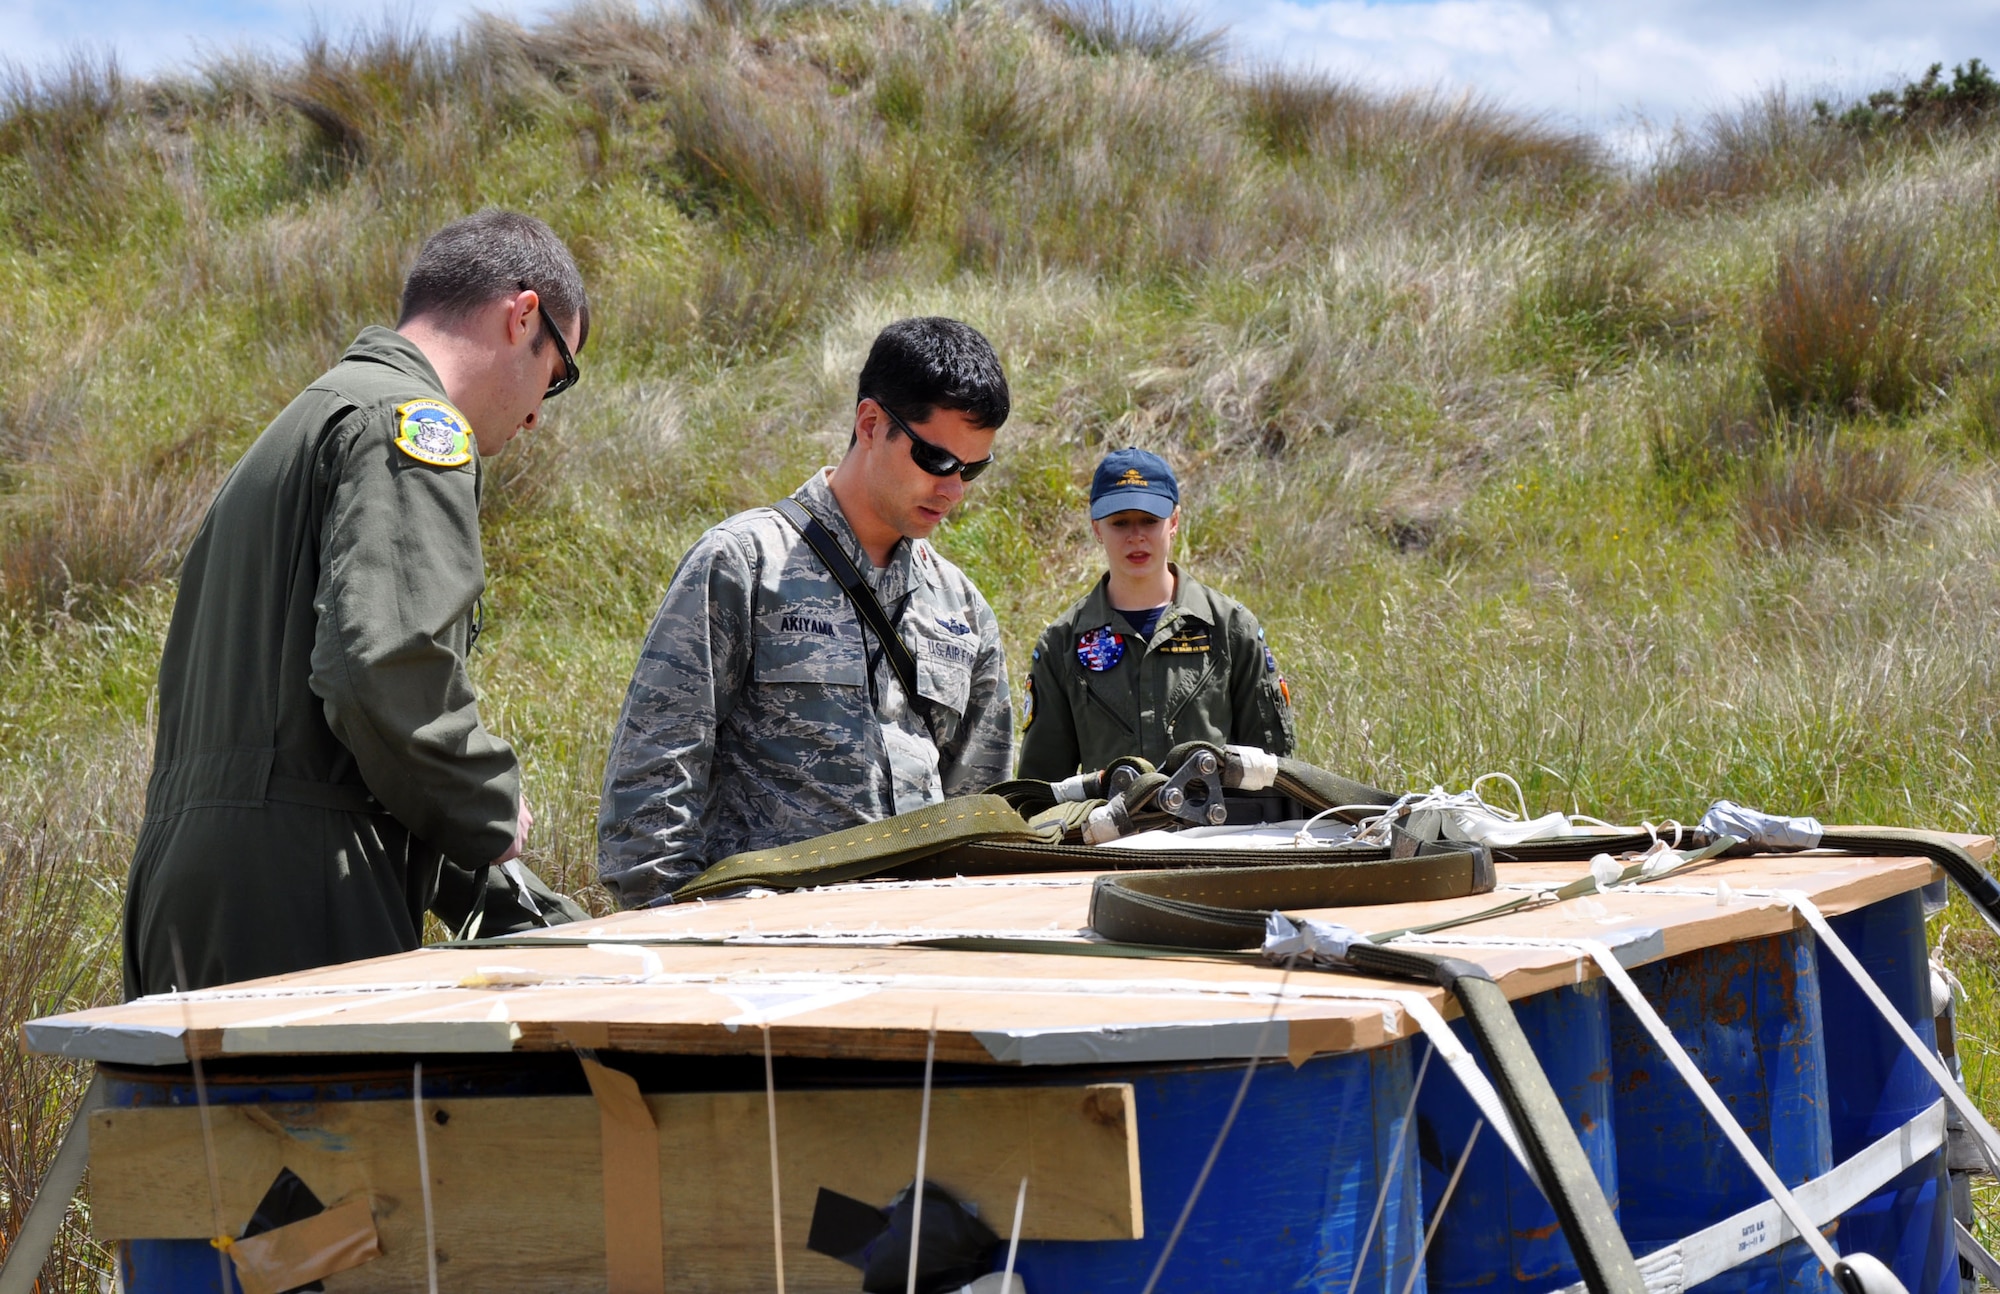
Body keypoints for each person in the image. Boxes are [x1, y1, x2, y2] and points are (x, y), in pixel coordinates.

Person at [122, 210, 588, 999]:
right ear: (523, 316)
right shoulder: (414, 425)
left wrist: (531, 911)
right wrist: (489, 803)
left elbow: (338, 739)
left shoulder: (290, 435)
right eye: (561, 374)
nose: (542, 412)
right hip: (302, 896)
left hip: (179, 889)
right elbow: (383, 674)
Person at [597, 317, 1014, 906]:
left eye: (973, 470)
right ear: (871, 424)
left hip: (910, 951)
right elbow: (653, 779)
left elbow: (981, 818)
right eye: (938, 461)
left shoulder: (963, 611)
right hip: (767, 955)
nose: (954, 491)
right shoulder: (744, 565)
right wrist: (673, 939)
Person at [1014, 446, 1295, 782]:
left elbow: (1273, 769)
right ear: (1096, 528)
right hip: (1108, 832)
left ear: (1173, 522)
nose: (1136, 536)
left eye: (1150, 520)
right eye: (1120, 523)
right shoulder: (1062, 644)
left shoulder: (1231, 629)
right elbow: (1043, 785)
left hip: (1220, 831)